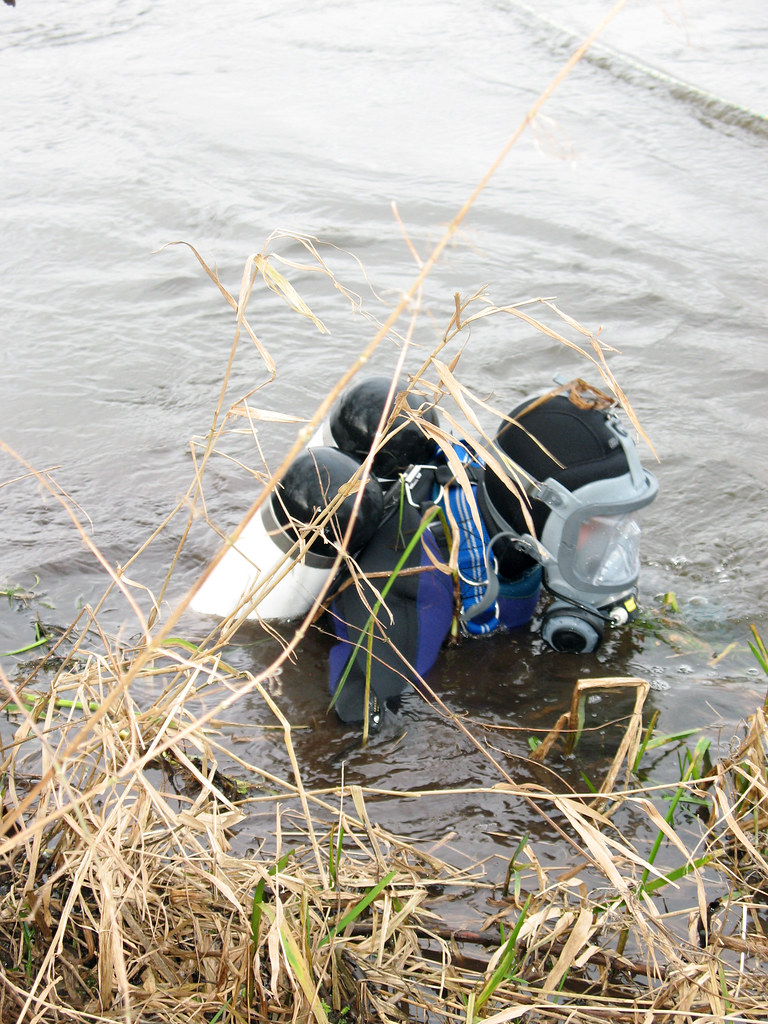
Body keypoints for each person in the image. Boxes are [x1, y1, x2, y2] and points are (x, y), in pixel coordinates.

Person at [192, 376, 657, 732]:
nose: (613, 543)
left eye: (621, 524)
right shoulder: (412, 598)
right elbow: (352, 733)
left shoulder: (514, 534)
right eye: (600, 526)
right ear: (535, 511)